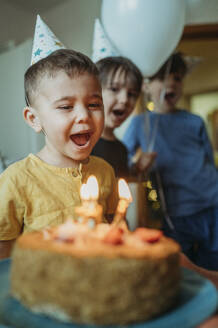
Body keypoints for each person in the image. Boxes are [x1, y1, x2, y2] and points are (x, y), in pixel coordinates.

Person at [0, 49, 119, 259]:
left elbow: (115, 229)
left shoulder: (105, 171)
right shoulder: (15, 181)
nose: (84, 115)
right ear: (34, 119)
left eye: (94, 104)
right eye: (66, 106)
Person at [123, 52, 218, 270]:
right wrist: (137, 167)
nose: (171, 83)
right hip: (176, 211)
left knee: (213, 262)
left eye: (177, 78)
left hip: (213, 203)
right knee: (179, 268)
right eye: (162, 78)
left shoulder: (195, 121)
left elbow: (209, 162)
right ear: (146, 86)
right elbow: (122, 163)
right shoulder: (141, 124)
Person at [91, 56, 156, 178]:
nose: (125, 99)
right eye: (114, 89)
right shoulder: (81, 144)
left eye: (132, 94)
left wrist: (137, 170)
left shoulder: (121, 149)